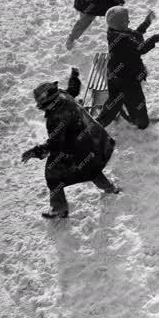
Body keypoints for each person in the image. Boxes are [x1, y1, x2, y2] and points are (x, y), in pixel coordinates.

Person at [21, 68, 120, 219]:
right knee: (92, 167)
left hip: (78, 148)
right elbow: (73, 91)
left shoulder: (56, 118)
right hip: (93, 139)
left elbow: (55, 145)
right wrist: (74, 78)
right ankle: (110, 189)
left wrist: (35, 152)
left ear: (49, 102)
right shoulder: (62, 95)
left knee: (53, 174)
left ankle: (59, 208)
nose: (43, 108)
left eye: (43, 105)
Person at [95, 6, 159, 129]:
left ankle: (98, 124)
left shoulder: (115, 32)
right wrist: (154, 39)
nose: (129, 22)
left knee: (115, 100)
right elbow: (140, 48)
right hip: (127, 78)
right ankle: (140, 122)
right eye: (126, 20)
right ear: (119, 24)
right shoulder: (122, 40)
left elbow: (136, 34)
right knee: (135, 103)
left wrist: (146, 22)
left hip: (115, 74)